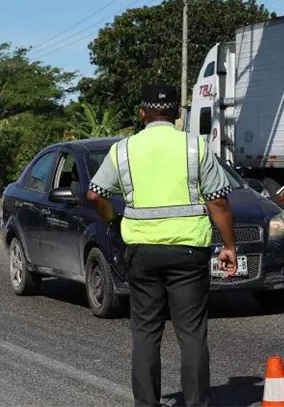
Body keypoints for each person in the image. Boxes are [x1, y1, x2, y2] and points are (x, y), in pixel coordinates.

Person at [85, 84, 237, 407]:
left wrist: (114, 218)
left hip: (141, 254)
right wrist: (229, 246)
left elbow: (95, 193)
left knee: (145, 333)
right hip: (188, 254)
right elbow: (219, 202)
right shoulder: (195, 147)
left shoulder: (123, 150)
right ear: (177, 115)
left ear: (142, 114)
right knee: (192, 334)